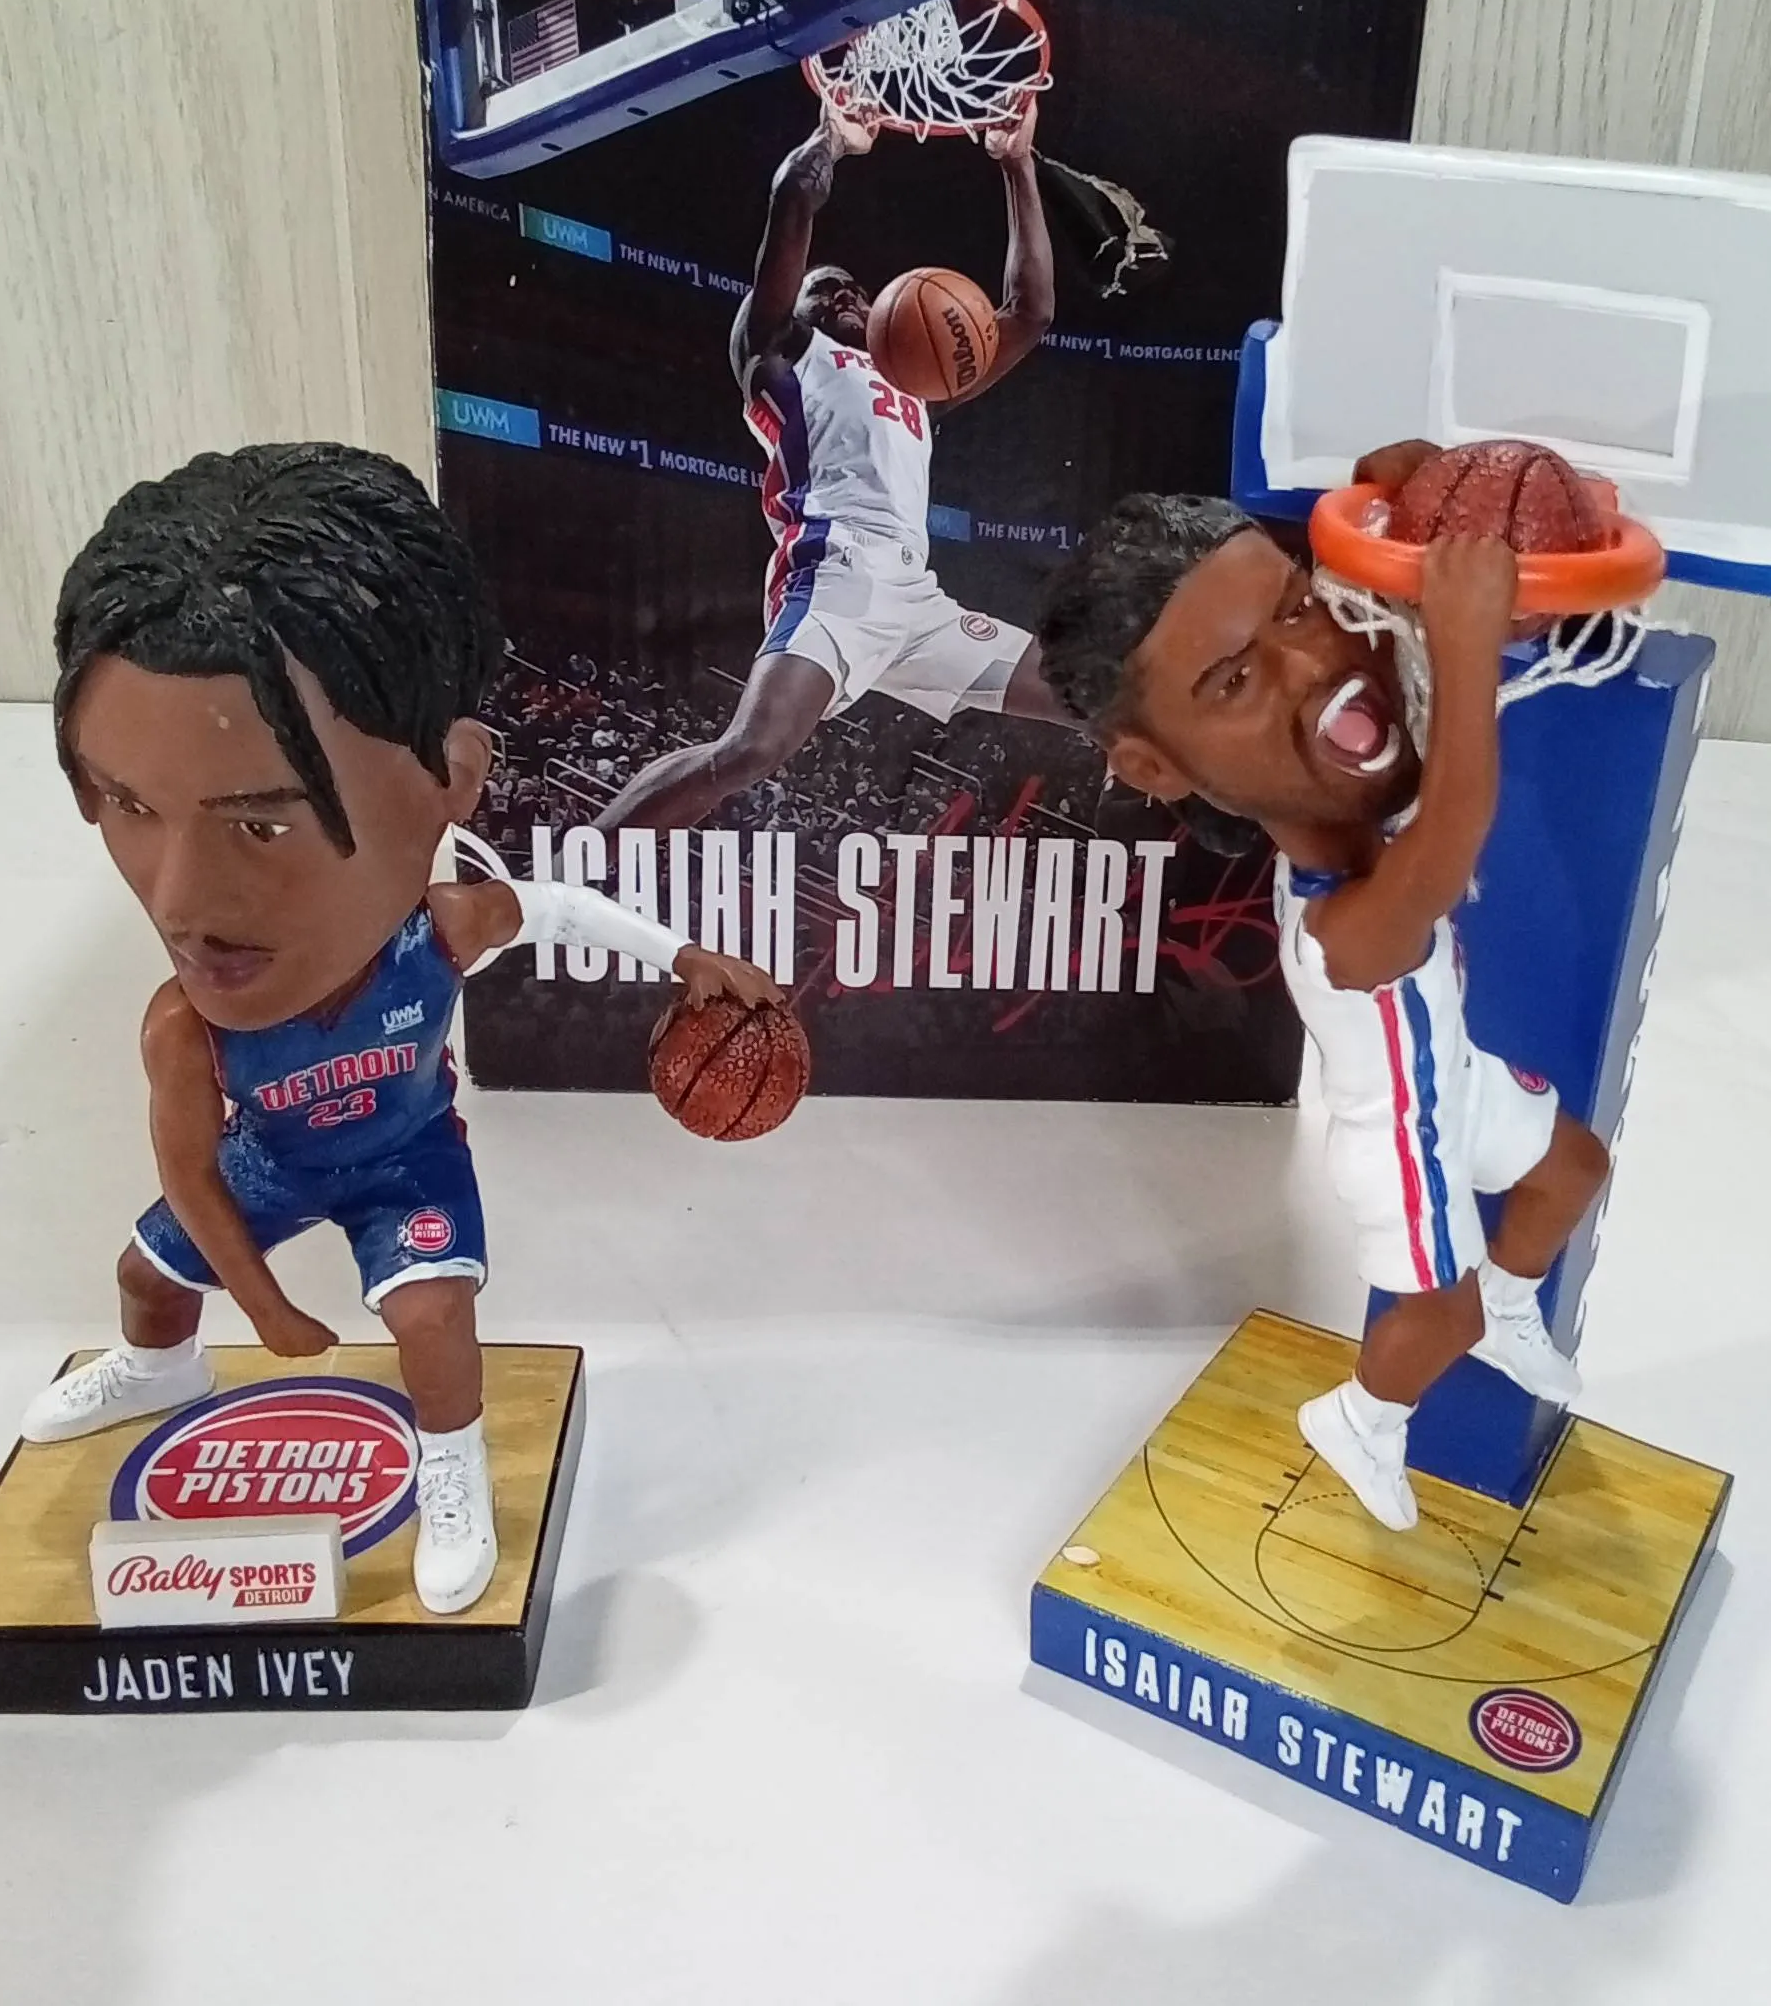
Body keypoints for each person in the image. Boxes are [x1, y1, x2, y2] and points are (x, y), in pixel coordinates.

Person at [23, 444, 779, 1612]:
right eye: (128, 804)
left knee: (431, 1319)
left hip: (403, 1158)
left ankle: (453, 1470)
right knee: (145, 1274)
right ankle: (157, 1368)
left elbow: (554, 908)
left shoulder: (440, 930)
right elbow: (193, 1175)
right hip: (272, 1163)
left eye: (260, 825)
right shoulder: (183, 1028)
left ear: (452, 777)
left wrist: (685, 960)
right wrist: (261, 1305)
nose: (178, 902)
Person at [1035, 477, 1610, 1533]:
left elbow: (1380, 503)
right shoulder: (1344, 925)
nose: (1311, 664)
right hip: (1403, 1139)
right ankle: (1361, 1420)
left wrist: (1427, 488)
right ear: (1156, 765)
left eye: (1300, 608)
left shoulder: (1356, 826)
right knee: (1438, 1311)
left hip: (1454, 1082)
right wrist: (1467, 646)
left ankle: (1512, 1306)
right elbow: (1450, 837)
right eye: (1236, 678)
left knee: (1575, 1170)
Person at [595, 96, 1072, 834]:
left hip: (916, 597)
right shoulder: (781, 353)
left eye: (856, 288)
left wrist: (1017, 165)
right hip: (836, 568)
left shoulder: (919, 385)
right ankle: (563, 871)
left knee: (1089, 691)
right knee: (751, 750)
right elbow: (792, 200)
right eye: (827, 288)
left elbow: (1031, 311)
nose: (848, 293)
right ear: (796, 308)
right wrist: (831, 141)